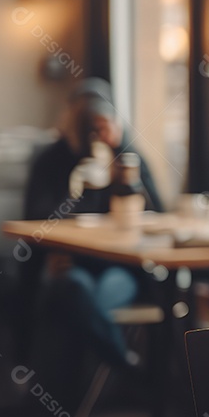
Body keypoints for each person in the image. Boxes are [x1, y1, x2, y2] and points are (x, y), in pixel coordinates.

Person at [23, 78, 163, 377]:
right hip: (69, 264)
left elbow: (156, 212)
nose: (95, 132)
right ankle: (129, 367)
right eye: (87, 122)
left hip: (119, 266)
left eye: (102, 122)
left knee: (92, 301)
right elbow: (38, 219)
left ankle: (105, 374)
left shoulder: (125, 157)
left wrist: (125, 164)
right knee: (77, 289)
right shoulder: (51, 161)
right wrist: (78, 184)